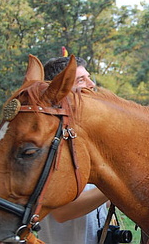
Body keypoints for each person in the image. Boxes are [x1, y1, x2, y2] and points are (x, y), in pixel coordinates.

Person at [38, 56, 109, 244]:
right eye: (81, 80)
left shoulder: (86, 135)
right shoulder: (49, 142)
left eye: (89, 77)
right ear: (59, 90)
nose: (91, 84)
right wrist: (115, 183)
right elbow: (61, 213)